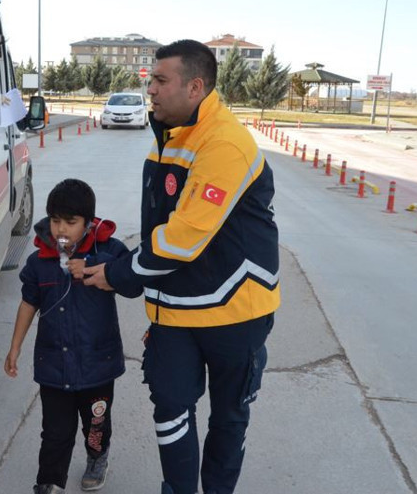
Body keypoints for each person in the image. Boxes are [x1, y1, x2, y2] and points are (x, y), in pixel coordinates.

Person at [83, 39, 280, 494]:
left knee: (229, 417)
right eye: (150, 79)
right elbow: (159, 226)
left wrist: (119, 275)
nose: (149, 89)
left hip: (236, 311)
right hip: (173, 310)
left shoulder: (225, 143)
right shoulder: (169, 134)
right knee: (170, 409)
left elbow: (184, 237)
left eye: (159, 80)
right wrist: (116, 257)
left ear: (194, 87)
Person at [4, 179, 142, 494]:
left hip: (98, 365)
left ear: (88, 222)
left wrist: (98, 268)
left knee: (95, 425)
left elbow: (133, 282)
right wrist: (15, 348)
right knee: (55, 432)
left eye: (71, 222)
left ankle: (97, 456)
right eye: (55, 221)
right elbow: (28, 303)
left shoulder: (108, 251)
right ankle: (48, 482)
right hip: (54, 365)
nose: (61, 229)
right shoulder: (39, 262)